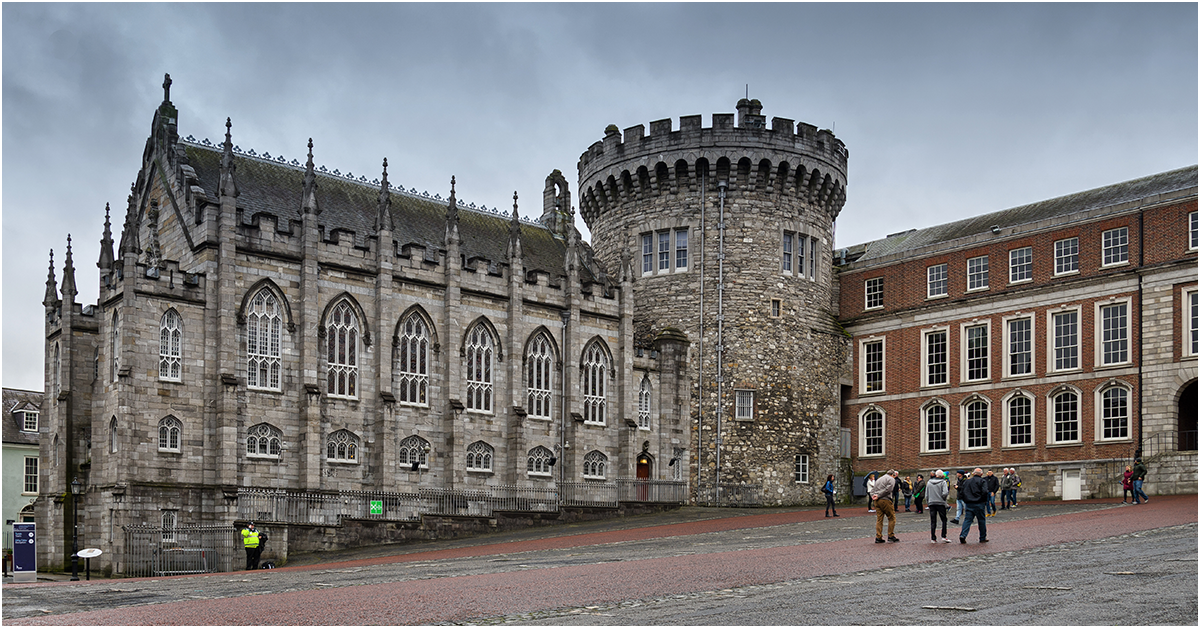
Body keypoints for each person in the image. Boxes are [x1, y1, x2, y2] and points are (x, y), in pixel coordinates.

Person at [958, 468, 989, 543]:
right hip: (979, 503)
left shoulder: (967, 481)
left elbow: (962, 491)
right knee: (981, 520)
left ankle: (963, 535)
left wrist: (966, 499)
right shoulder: (982, 481)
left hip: (969, 503)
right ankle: (982, 537)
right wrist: (984, 500)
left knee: (967, 520)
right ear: (981, 474)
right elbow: (985, 491)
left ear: (973, 473)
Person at [871, 469, 900, 543]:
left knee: (879, 519)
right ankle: (891, 535)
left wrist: (873, 496)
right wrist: (879, 495)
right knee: (891, 518)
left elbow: (872, 490)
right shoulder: (891, 479)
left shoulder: (879, 479)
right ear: (893, 475)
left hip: (876, 501)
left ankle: (878, 537)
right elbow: (888, 490)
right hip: (885, 500)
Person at [925, 470, 952, 543]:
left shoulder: (929, 482)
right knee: (944, 520)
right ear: (942, 476)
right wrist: (943, 499)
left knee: (933, 521)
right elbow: (945, 493)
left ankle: (933, 538)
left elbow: (926, 494)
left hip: (932, 503)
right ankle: (944, 536)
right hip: (940, 503)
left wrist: (928, 502)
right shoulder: (943, 482)